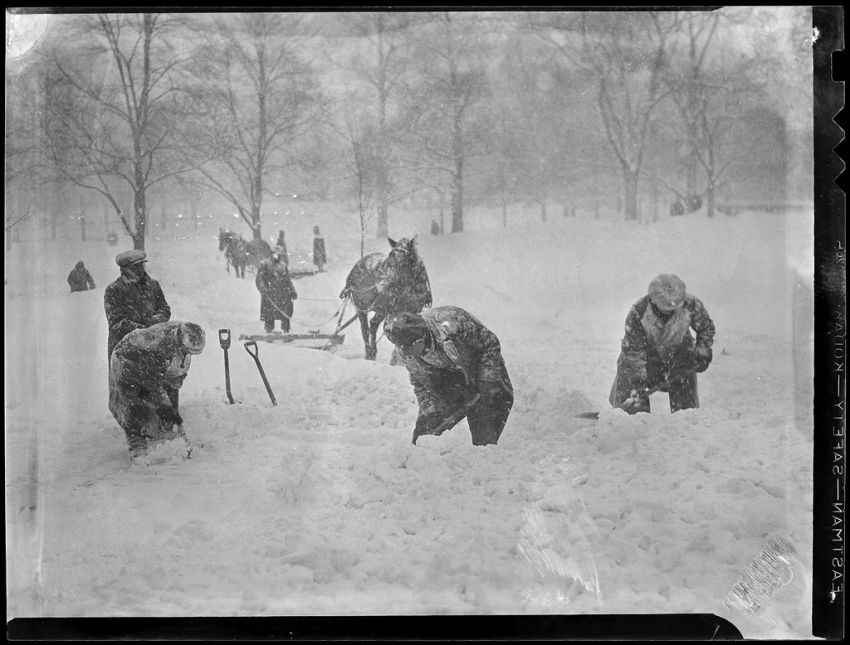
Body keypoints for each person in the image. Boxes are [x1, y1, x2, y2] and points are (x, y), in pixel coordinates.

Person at [383, 306, 514, 446]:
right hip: (451, 384)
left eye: (409, 348)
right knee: (422, 436)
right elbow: (420, 384)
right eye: (403, 350)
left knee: (485, 434)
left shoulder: (453, 322)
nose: (407, 354)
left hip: (482, 373)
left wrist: (486, 380)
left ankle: (484, 458)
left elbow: (490, 343)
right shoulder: (408, 354)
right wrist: (429, 412)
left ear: (420, 339)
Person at [609, 274, 715, 414]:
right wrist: (638, 382)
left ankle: (686, 420)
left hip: (679, 355)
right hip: (645, 357)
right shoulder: (639, 312)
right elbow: (633, 353)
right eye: (666, 307)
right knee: (630, 385)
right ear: (654, 300)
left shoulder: (690, 305)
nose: (671, 311)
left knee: (686, 406)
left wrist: (702, 350)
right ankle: (628, 417)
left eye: (675, 307)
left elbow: (705, 328)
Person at [109, 321, 205, 459]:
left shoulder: (184, 332)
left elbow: (170, 381)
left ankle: (169, 431)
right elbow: (153, 387)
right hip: (127, 359)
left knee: (166, 401)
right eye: (188, 350)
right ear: (180, 342)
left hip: (152, 362)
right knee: (135, 401)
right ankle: (137, 446)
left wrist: (171, 413)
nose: (190, 354)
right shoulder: (159, 348)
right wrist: (170, 412)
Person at [104, 250, 171, 359]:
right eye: (135, 266)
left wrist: (155, 320)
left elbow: (165, 309)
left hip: (153, 346)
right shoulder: (114, 290)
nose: (140, 269)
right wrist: (143, 330)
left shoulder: (153, 285)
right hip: (124, 349)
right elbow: (116, 322)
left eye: (142, 265)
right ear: (124, 269)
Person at [256, 251, 297, 333]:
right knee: (269, 315)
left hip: (283, 295)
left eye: (278, 254)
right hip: (270, 294)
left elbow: (288, 280)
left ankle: (286, 331)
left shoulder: (283, 265)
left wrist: (292, 291)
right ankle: (269, 331)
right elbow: (259, 279)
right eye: (274, 254)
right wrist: (263, 289)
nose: (276, 256)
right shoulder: (264, 264)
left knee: (285, 314)